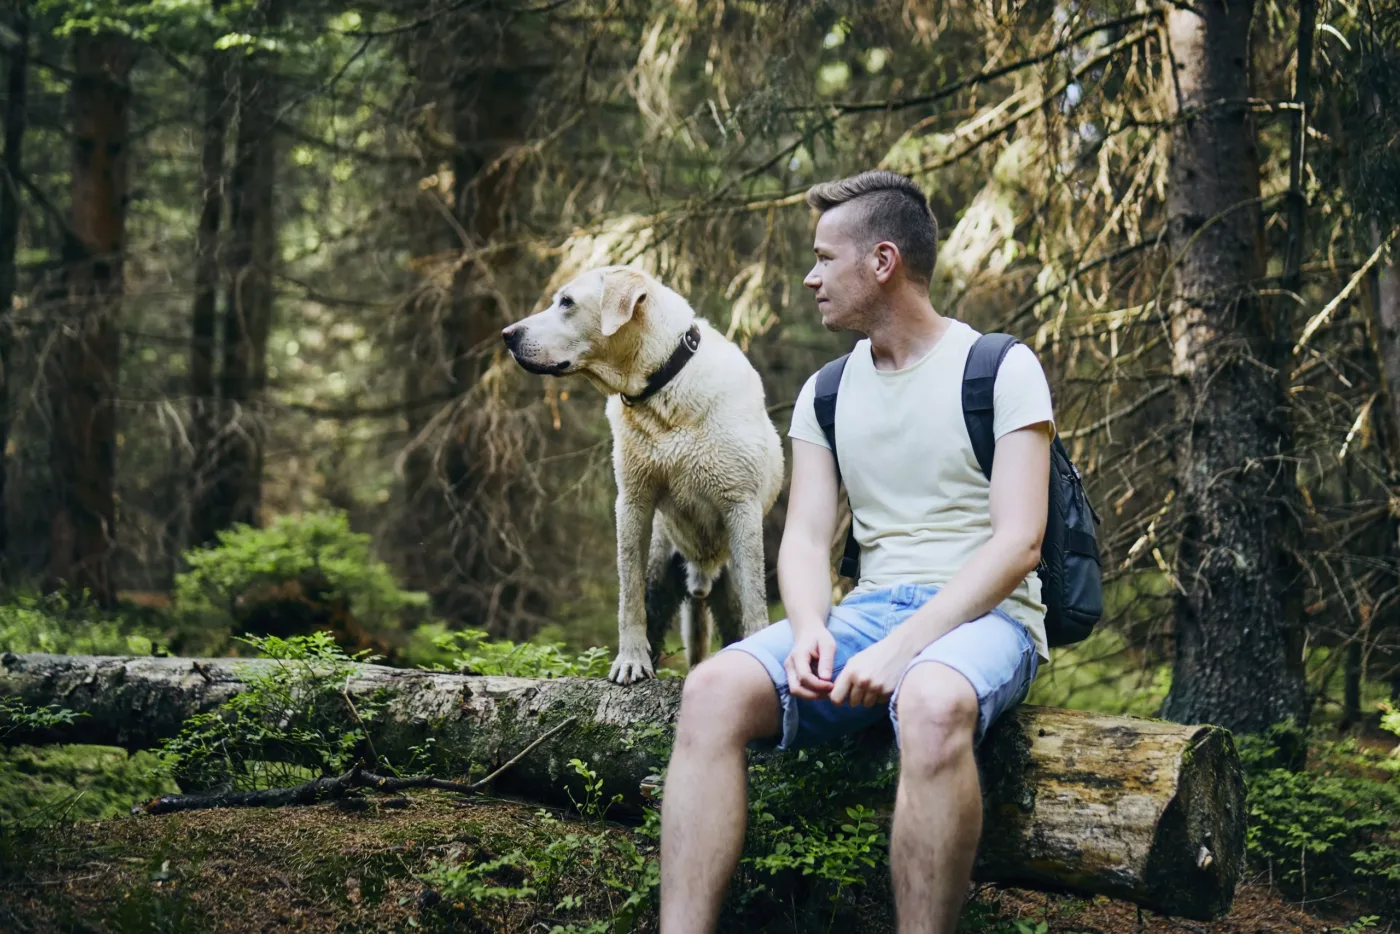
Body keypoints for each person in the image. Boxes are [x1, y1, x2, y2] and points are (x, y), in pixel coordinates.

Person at [657, 170, 1056, 934]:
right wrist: (810, 625)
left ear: (882, 262)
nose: (810, 278)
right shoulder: (827, 392)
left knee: (933, 701)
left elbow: (1018, 544)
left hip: (988, 617)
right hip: (869, 614)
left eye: (823, 258)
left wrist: (908, 648)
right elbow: (806, 537)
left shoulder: (1001, 368)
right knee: (709, 692)